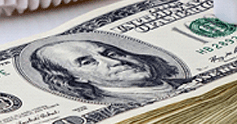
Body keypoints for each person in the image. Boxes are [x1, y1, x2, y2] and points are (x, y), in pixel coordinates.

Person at [29, 39, 190, 104]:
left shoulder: (188, 82)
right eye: (87, 62)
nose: (114, 62)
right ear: (76, 78)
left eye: (110, 54)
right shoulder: (114, 103)